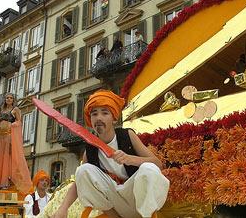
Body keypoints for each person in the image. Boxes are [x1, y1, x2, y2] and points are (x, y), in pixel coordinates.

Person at [52, 90, 169, 218]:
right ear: (90, 120)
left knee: (149, 168)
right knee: (83, 170)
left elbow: (158, 164)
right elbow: (79, 182)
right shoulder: (90, 149)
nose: (99, 118)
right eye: (94, 114)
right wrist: (63, 209)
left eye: (105, 113)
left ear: (114, 118)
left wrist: (130, 159)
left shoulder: (127, 135)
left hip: (136, 197)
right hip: (114, 203)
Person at [0, 93, 32, 193]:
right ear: (5, 100)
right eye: (7, 98)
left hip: (8, 136)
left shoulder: (16, 110)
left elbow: (19, 122)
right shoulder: (2, 111)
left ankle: (4, 182)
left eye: (11, 98)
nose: (9, 99)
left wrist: (13, 125)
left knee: (6, 158)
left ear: (13, 100)